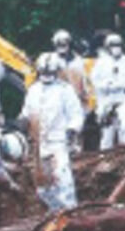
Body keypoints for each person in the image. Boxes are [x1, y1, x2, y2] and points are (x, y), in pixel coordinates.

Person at [20, 52, 85, 213]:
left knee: (63, 180)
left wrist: (72, 129)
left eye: (49, 72)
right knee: (42, 185)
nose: (46, 75)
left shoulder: (65, 90)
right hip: (39, 143)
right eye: (44, 72)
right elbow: (26, 113)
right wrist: (21, 123)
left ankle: (70, 212)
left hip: (58, 142)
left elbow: (76, 114)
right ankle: (54, 212)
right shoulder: (33, 90)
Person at [91, 32, 125, 150]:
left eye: (118, 45)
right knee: (107, 136)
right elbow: (94, 81)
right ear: (107, 47)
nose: (116, 48)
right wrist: (108, 85)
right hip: (107, 102)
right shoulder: (101, 63)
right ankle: (105, 157)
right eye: (113, 45)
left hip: (124, 100)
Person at [52, 29, 92, 110]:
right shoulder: (51, 60)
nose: (62, 46)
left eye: (64, 43)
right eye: (59, 44)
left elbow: (85, 81)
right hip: (56, 102)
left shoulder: (79, 61)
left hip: (77, 102)